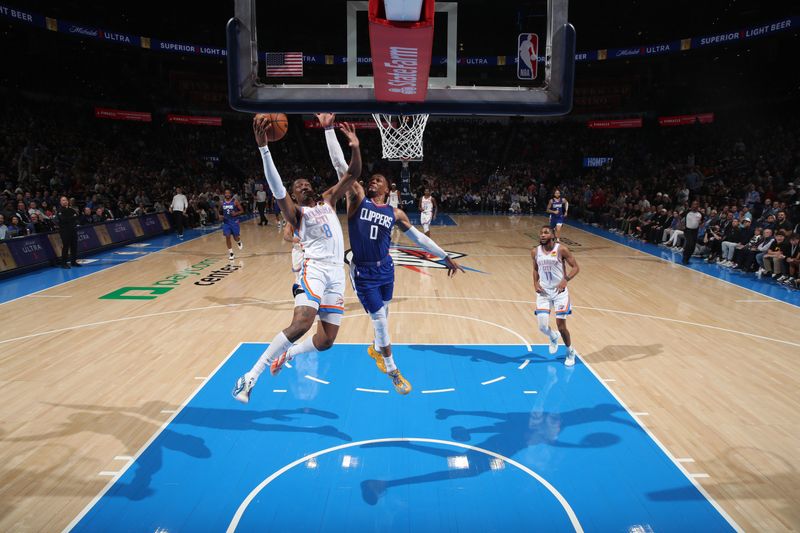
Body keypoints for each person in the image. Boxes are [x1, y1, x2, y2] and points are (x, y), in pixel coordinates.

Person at [277, 112, 463, 395]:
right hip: (362, 271)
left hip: (386, 268)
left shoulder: (394, 212)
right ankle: (392, 369)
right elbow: (343, 168)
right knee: (380, 321)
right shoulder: (358, 199)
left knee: (384, 317)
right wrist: (332, 133)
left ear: (388, 190)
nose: (373, 182)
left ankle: (378, 350)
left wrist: (444, 255)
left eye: (378, 180)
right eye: (371, 179)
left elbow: (418, 238)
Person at [232, 118, 362, 404]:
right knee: (303, 322)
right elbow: (277, 187)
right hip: (313, 269)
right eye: (298, 186)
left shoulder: (328, 199)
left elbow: (353, 174)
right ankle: (251, 375)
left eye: (306, 182)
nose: (303, 185)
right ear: (294, 195)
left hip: (336, 274)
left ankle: (288, 354)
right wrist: (264, 148)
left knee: (326, 341)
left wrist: (354, 147)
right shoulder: (297, 214)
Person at [532, 225, 580, 366]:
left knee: (561, 326)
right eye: (541, 232)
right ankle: (553, 337)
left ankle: (570, 351)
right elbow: (535, 269)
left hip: (560, 292)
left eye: (546, 232)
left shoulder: (561, 249)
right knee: (542, 327)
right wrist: (535, 283)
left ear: (553, 235)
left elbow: (576, 267)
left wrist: (566, 280)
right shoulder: (535, 251)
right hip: (544, 292)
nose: (542, 235)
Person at [56, 195, 80, 269]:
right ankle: (64, 263)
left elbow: (77, 217)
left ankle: (73, 262)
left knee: (74, 246)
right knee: (66, 247)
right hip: (64, 231)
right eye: (63, 200)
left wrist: (71, 218)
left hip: (73, 230)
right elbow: (64, 220)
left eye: (66, 200)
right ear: (60, 202)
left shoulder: (71, 209)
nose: (65, 201)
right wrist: (72, 217)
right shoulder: (59, 211)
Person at [220, 189, 244, 260]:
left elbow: (242, 210)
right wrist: (219, 216)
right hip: (226, 222)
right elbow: (219, 212)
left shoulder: (235, 201)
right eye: (226, 193)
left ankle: (238, 241)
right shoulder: (222, 202)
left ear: (231, 194)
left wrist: (235, 213)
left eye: (228, 193)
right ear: (224, 194)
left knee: (235, 237)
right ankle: (231, 253)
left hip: (234, 222)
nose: (227, 194)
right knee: (227, 236)